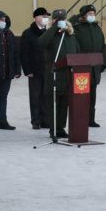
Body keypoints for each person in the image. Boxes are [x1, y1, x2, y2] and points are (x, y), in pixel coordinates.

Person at [40, 9, 79, 142]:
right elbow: (41, 43)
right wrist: (53, 28)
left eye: (63, 19)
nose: (61, 22)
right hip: (54, 73)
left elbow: (77, 52)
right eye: (58, 20)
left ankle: (61, 128)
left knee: (64, 104)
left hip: (68, 74)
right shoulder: (50, 34)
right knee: (54, 104)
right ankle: (54, 129)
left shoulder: (70, 35)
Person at [73, 4, 106, 127]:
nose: (92, 16)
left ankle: (91, 118)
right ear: (83, 15)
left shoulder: (97, 28)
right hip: (82, 65)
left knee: (92, 95)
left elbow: (102, 46)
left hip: (95, 66)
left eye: (93, 13)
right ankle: (80, 117)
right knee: (81, 94)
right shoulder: (77, 28)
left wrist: (103, 62)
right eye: (89, 14)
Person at [21, 7, 51, 130]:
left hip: (47, 69)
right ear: (37, 18)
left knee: (46, 95)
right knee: (35, 96)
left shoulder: (49, 32)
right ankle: (36, 120)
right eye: (43, 17)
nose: (46, 19)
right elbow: (24, 53)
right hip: (34, 70)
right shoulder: (28, 33)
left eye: (46, 17)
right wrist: (27, 70)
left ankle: (45, 119)